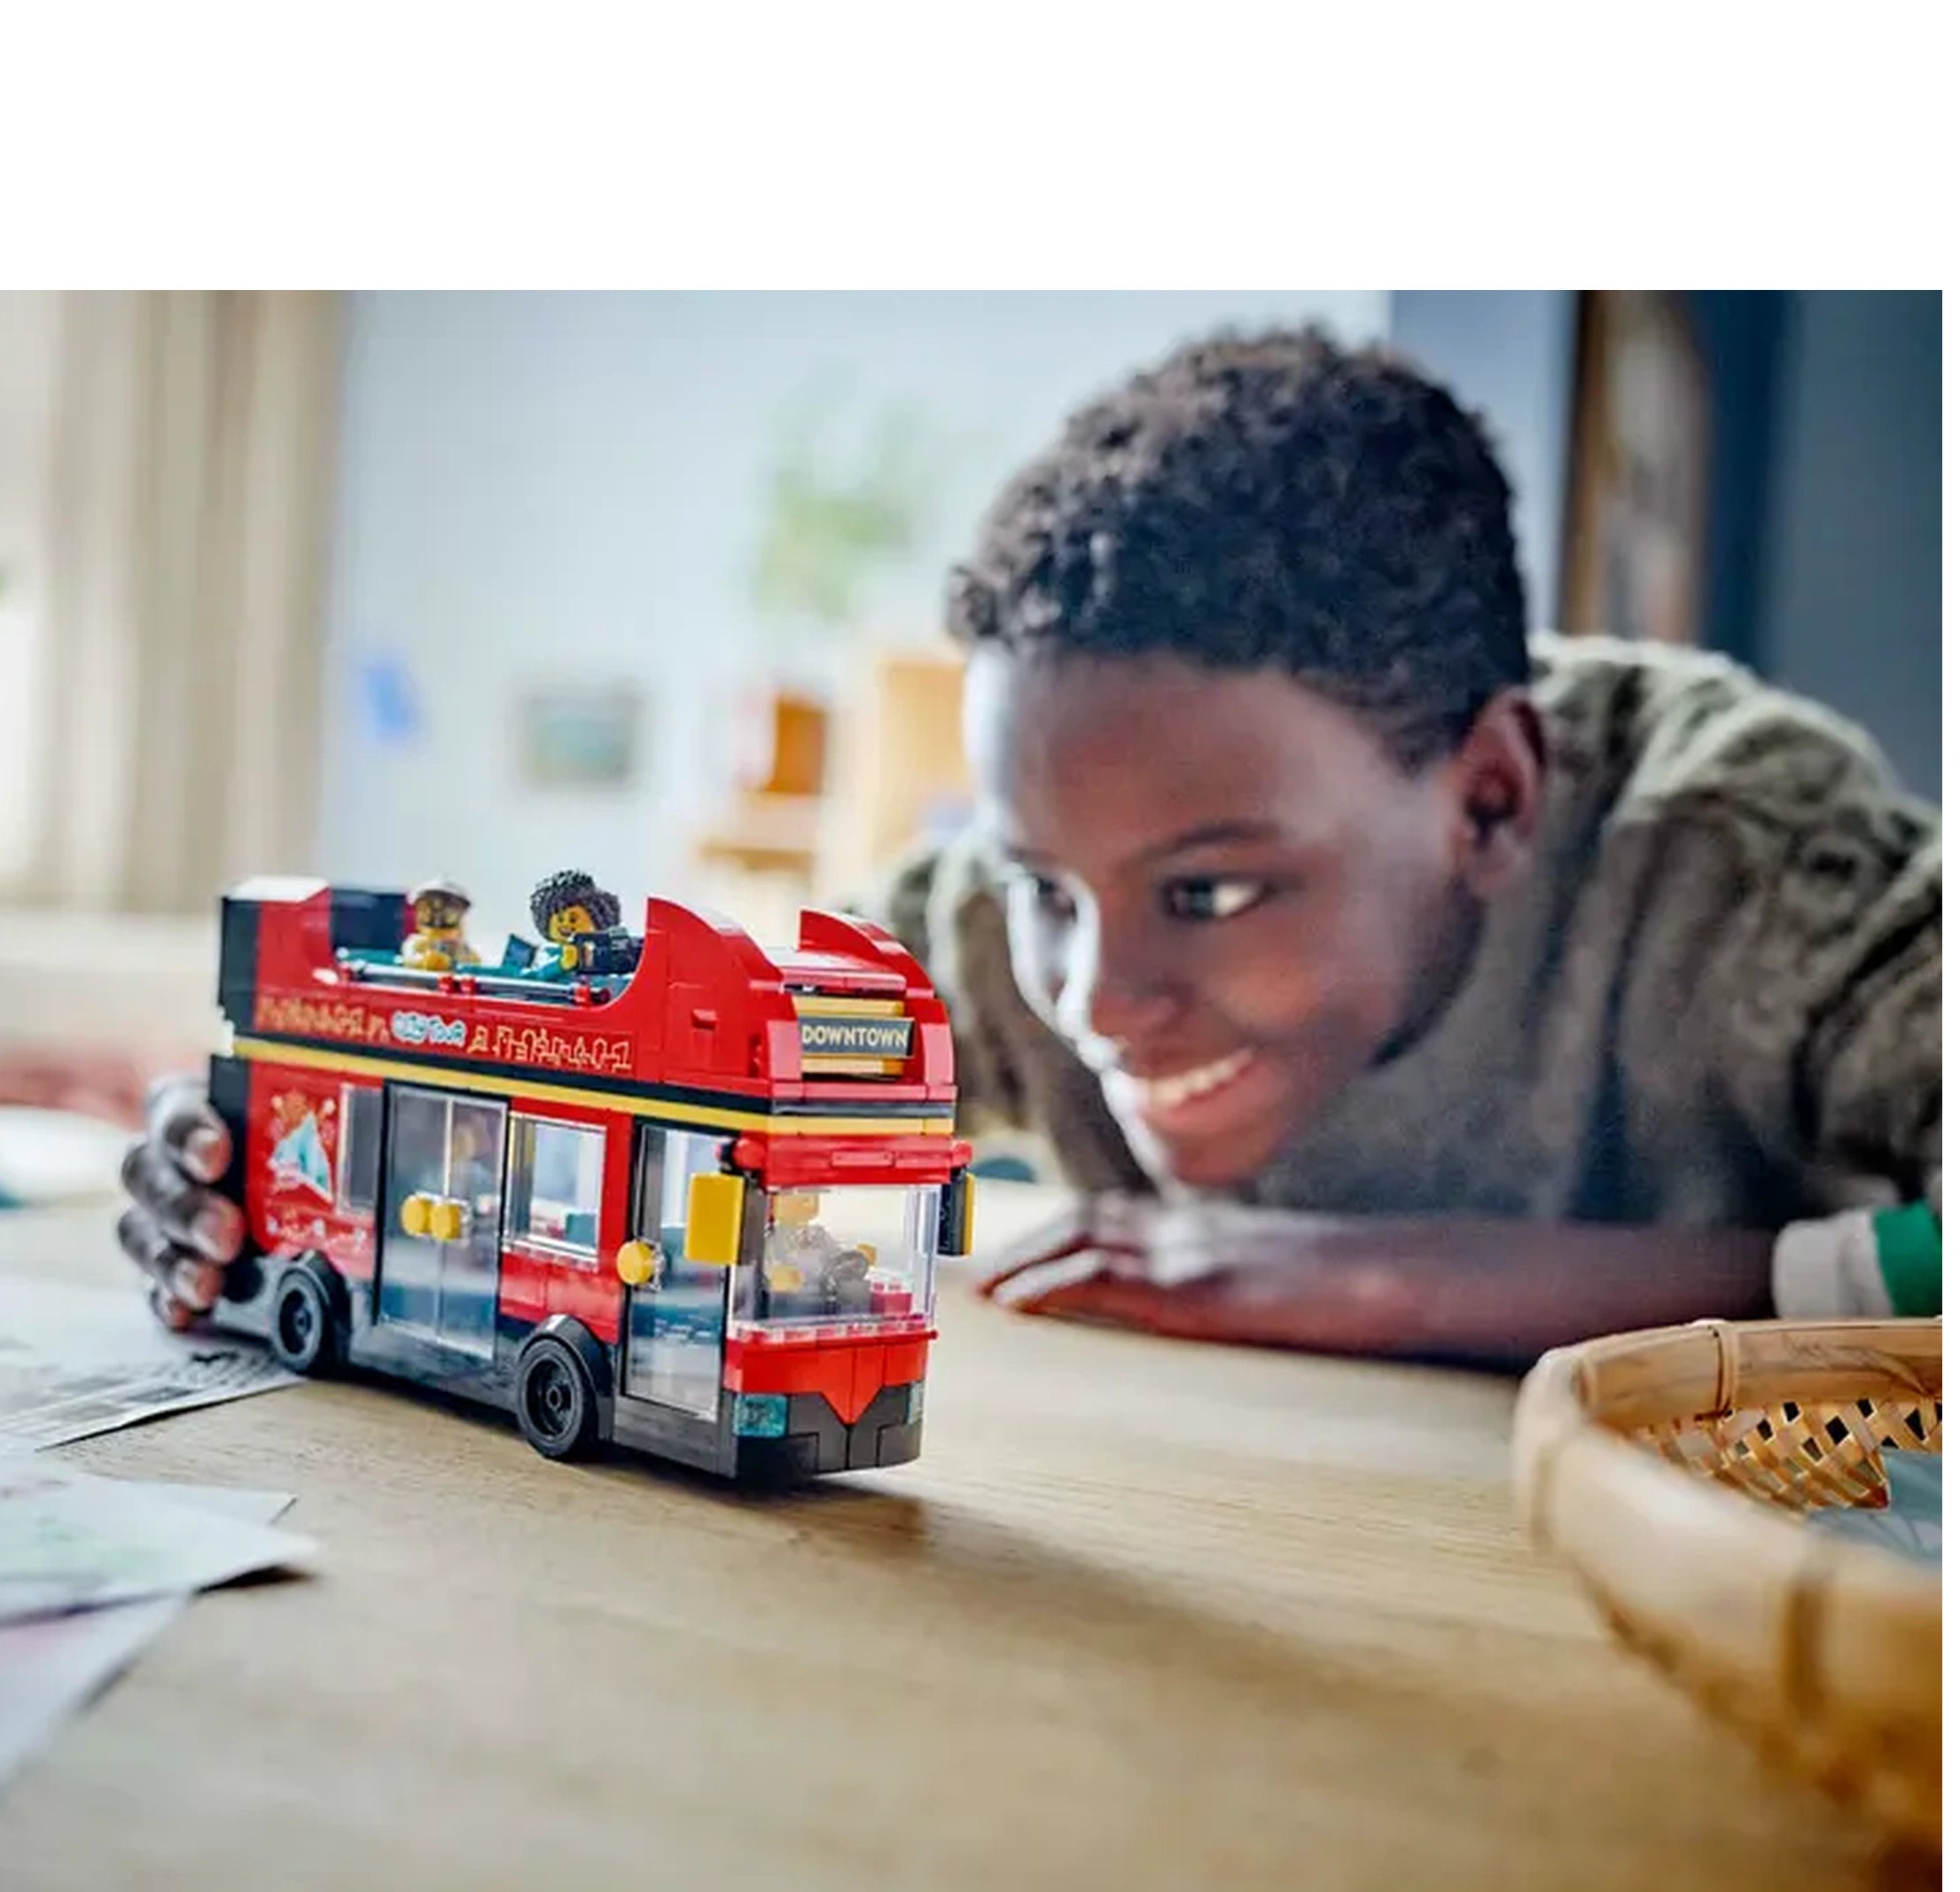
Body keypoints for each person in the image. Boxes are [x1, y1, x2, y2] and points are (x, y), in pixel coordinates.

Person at [120, 329, 1940, 1364]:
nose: (1090, 996)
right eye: (1036, 881)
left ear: (1484, 798)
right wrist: (271, 1183)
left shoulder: (1745, 864)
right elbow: (663, 1088)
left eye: (1208, 890)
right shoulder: (977, 943)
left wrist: (1383, 1274)